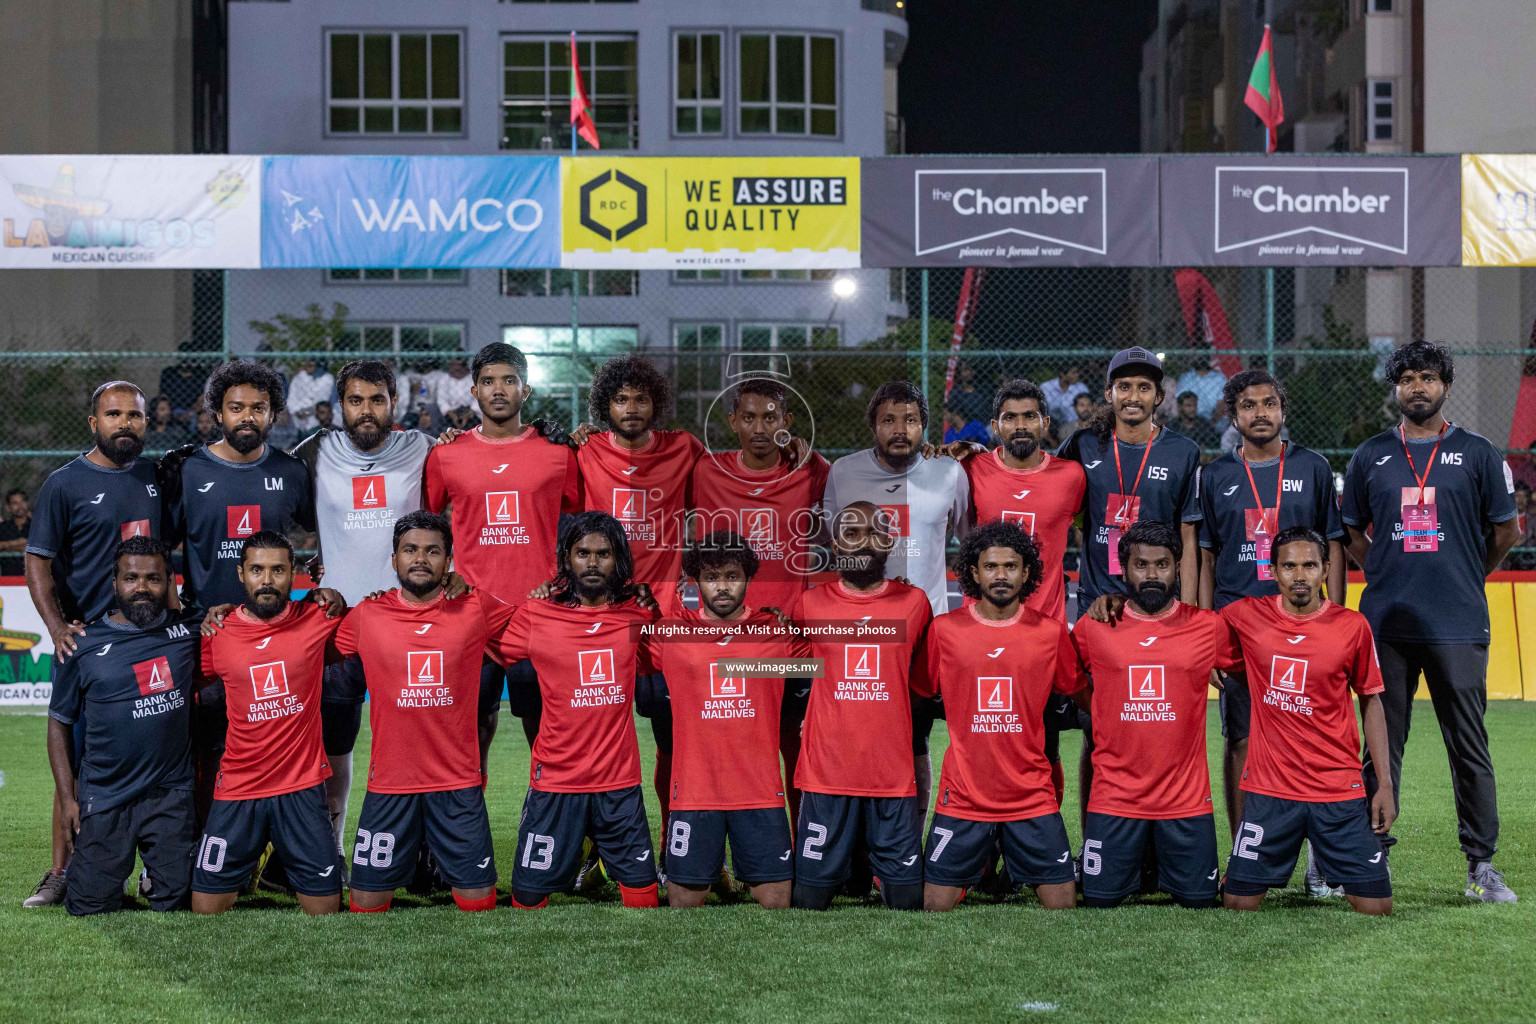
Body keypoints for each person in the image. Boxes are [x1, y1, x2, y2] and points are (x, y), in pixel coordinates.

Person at [1341, 341, 1521, 902]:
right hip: (1387, 625)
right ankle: (1371, 857)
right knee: (1379, 746)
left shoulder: (1480, 453)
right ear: (1395, 389)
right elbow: (1349, 531)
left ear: (1445, 385)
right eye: (1408, 379)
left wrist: (1467, 574)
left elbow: (1506, 533)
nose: (1417, 387)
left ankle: (1481, 866)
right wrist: (1387, 572)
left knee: (1469, 744)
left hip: (1458, 622)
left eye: (1428, 378)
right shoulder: (1370, 455)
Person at [1196, 368, 1346, 887]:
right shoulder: (1214, 475)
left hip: (1307, 624)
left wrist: (1340, 620)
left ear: (1283, 410)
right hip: (1241, 629)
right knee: (1241, 739)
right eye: (1248, 406)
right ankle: (1245, 852)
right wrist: (1208, 634)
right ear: (1233, 416)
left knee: (1316, 737)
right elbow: (1206, 558)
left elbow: (1335, 544)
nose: (1260, 413)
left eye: (1269, 403)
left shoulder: (1314, 466)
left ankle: (1320, 861)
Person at [290, 359, 444, 855]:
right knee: (337, 742)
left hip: (408, 625)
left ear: (394, 403)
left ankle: (423, 851)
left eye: (377, 400)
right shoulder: (315, 451)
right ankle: (331, 848)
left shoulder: (422, 448)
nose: (366, 410)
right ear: (340, 405)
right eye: (355, 400)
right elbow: (269, 491)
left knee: (417, 743)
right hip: (339, 627)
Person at [158, 359, 319, 832]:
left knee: (281, 746)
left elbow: (323, 532)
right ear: (217, 413)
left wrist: (315, 571)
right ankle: (201, 845)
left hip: (277, 635)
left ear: (274, 415)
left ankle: (282, 853)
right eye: (236, 407)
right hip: (205, 632)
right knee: (202, 748)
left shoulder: (291, 472)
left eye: (258, 407)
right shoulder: (186, 469)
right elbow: (162, 552)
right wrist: (173, 616)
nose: (247, 416)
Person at [22, 380, 163, 908]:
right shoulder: (65, 484)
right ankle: (60, 870)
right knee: (76, 757)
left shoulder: (157, 475)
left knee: (159, 752)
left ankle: (156, 865)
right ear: (93, 423)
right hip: (88, 643)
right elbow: (38, 561)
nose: (124, 424)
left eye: (134, 415)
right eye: (113, 414)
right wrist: (58, 628)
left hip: (150, 641)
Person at [331, 511, 515, 913]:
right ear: (394, 559)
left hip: (457, 784)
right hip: (389, 785)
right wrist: (319, 598)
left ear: (448, 561)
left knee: (479, 904)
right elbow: (310, 648)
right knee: (364, 904)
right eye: (410, 549)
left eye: (433, 551)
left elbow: (539, 630)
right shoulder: (366, 616)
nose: (420, 559)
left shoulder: (475, 608)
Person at [1219, 527, 1396, 915]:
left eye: (1310, 566)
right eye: (1289, 566)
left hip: (1337, 787)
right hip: (1269, 789)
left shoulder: (1352, 626)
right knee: (1237, 902)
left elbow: (1372, 701)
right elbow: (1186, 632)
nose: (1300, 576)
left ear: (1327, 568)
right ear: (1273, 570)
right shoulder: (1245, 616)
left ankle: (1323, 866)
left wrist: (1383, 784)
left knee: (1377, 907)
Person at [492, 511, 664, 910]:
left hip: (618, 781)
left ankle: (600, 862)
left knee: (644, 901)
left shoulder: (637, 616)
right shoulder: (537, 615)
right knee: (527, 901)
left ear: (618, 559)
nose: (591, 562)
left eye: (603, 553)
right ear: (566, 559)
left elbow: (664, 659)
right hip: (555, 780)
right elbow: (479, 640)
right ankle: (582, 860)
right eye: (582, 553)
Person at [1058, 347, 1201, 817]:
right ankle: (1095, 838)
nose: (1133, 396)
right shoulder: (1083, 445)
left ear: (1159, 395)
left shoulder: (1184, 452)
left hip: (1161, 612)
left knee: (1159, 725)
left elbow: (1189, 536)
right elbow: (1040, 486)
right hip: (1101, 611)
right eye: (1124, 387)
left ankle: (1158, 836)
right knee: (1097, 731)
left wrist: (1192, 612)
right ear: (1109, 393)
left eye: (1144, 387)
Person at [423, 342, 578, 771]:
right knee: (473, 731)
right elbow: (425, 524)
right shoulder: (446, 455)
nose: (498, 390)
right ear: (473, 391)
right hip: (473, 613)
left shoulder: (558, 454)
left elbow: (582, 523)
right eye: (488, 381)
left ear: (525, 390)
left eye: (509, 380)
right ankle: (463, 834)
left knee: (547, 732)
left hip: (540, 611)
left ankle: (550, 823)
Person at [1072, 521, 1240, 909]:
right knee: (1098, 900)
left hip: (1186, 803)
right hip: (1114, 800)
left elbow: (1250, 670)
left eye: (1162, 565)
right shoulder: (1095, 626)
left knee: (1200, 902)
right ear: (1124, 569)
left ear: (1178, 567)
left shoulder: (1208, 628)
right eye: (1141, 565)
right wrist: (1099, 708)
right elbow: (1068, 677)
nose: (1152, 575)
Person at [569, 356, 704, 831]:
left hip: (663, 625)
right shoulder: (583, 452)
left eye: (641, 398)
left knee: (674, 743)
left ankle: (675, 839)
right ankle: (592, 851)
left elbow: (729, 479)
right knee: (591, 747)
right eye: (621, 398)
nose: (631, 407)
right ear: (605, 404)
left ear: (656, 403)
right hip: (599, 625)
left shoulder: (684, 449)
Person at [823, 381, 968, 820]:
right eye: (889, 420)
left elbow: (969, 538)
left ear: (924, 425)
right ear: (873, 425)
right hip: (862, 629)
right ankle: (855, 844)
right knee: (856, 732)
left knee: (915, 736)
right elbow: (837, 548)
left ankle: (909, 840)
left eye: (910, 420)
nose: (900, 429)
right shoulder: (843, 472)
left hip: (927, 634)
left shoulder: (950, 473)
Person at [916, 521, 1079, 912]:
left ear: (1026, 572)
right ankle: (981, 871)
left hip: (1031, 796)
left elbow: (1077, 692)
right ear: (972, 573)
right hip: (964, 796)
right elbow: (920, 695)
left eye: (1010, 566)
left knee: (1063, 907)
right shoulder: (944, 630)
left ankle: (1006, 869)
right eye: (990, 566)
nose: (1001, 575)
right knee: (933, 906)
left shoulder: (1050, 632)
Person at [689, 376, 827, 823]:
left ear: (786, 422)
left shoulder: (811, 468)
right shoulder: (707, 470)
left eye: (771, 417)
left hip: (792, 640)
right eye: (749, 417)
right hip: (725, 639)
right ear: (733, 422)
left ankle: (801, 846)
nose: (760, 427)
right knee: (720, 747)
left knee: (799, 749)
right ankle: (704, 853)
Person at [191, 532, 348, 915]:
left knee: (326, 909)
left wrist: (338, 598)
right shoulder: (218, 633)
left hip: (302, 786)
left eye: (278, 570)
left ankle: (278, 863)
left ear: (293, 574)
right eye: (257, 570)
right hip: (238, 787)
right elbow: (187, 680)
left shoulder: (317, 619)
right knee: (205, 909)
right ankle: (250, 861)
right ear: (241, 574)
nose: (266, 580)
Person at [45, 537, 203, 915]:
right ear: (115, 583)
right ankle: (103, 874)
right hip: (106, 794)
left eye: (153, 578)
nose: (142, 588)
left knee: (178, 901)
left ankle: (155, 874)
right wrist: (68, 797)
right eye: (131, 578)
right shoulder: (79, 644)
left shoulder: (193, 630)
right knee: (88, 905)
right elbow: (58, 723)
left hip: (169, 793)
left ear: (169, 582)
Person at [950, 379, 1087, 808]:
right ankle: (982, 852)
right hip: (981, 634)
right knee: (977, 742)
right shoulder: (971, 470)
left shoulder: (1072, 477)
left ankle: (1038, 841)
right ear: (995, 425)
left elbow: (1091, 531)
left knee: (1042, 746)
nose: (1021, 425)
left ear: (1046, 422)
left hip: (1041, 638)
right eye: (1011, 417)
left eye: (1030, 416)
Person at [790, 502, 933, 912]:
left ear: (890, 542)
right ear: (835, 543)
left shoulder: (915, 603)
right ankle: (847, 871)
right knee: (808, 901)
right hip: (826, 775)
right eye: (852, 534)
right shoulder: (809, 605)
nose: (864, 543)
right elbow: (787, 662)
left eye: (875, 533)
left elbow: (924, 679)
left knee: (907, 902)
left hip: (890, 776)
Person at [652, 533, 806, 909]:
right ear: (695, 581)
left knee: (777, 903)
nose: (722, 586)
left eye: (732, 576)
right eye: (711, 576)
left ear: (749, 578)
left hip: (759, 793)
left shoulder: (778, 634)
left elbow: (836, 653)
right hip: (693, 793)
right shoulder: (669, 634)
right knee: (683, 903)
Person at [286, 358, 335, 436]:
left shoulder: (327, 378)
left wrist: (306, 411)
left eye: (311, 364)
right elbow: (291, 401)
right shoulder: (298, 378)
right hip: (298, 415)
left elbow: (323, 402)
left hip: (317, 415)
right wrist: (299, 412)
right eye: (306, 363)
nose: (307, 366)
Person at [0, 487, 30, 577]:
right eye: (15, 503)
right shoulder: (3, 527)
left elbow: (37, 546)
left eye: (22, 502)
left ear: (27, 503)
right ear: (8, 508)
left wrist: (6, 547)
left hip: (35, 580)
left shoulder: (37, 526)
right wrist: (17, 542)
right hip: (8, 581)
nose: (20, 506)